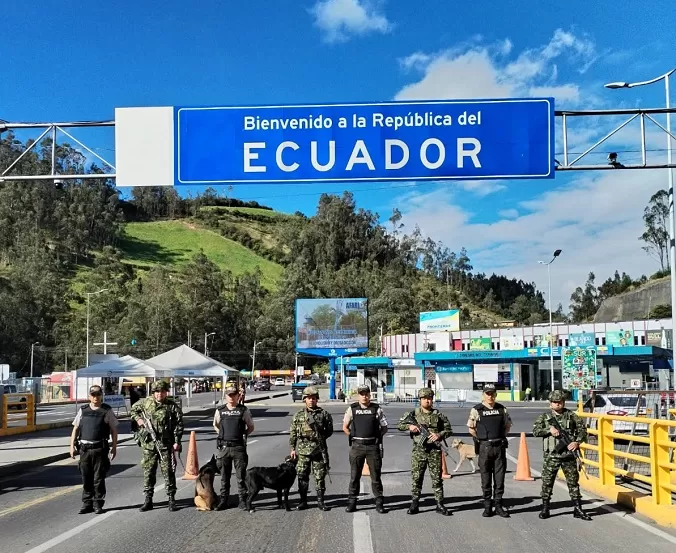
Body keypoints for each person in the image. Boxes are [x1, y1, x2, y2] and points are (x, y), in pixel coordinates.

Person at [532, 389, 592, 521]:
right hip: (552, 456)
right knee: (547, 482)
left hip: (568, 456)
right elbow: (535, 431)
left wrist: (576, 442)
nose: (557, 404)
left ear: (564, 402)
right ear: (550, 403)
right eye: (554, 402)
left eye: (560, 402)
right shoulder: (545, 417)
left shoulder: (572, 416)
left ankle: (578, 508)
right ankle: (545, 507)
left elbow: (582, 431)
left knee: (573, 483)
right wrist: (549, 430)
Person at [397, 387, 453, 516]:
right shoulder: (413, 414)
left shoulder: (438, 415)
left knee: (437, 479)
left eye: (429, 398)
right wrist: (409, 427)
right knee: (417, 478)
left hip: (434, 451)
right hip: (419, 451)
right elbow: (400, 425)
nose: (427, 401)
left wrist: (439, 435)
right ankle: (415, 503)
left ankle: (439, 503)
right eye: (424, 398)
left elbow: (449, 430)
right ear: (420, 400)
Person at [130, 380, 184, 512]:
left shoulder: (171, 406)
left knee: (169, 472)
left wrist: (177, 441)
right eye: (157, 391)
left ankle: (171, 499)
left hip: (165, 445)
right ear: (153, 392)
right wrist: (139, 420)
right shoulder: (145, 403)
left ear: (167, 392)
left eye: (163, 391)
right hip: (149, 445)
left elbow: (179, 424)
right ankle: (148, 500)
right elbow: (133, 411)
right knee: (149, 472)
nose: (160, 394)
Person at [70, 385, 119, 514]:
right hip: (85, 450)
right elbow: (75, 428)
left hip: (100, 449)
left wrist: (114, 447)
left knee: (98, 479)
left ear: (101, 395)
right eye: (93, 395)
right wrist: (71, 447)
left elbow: (114, 430)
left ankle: (98, 503)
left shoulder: (106, 410)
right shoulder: (83, 410)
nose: (96, 397)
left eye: (98, 394)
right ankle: (87, 503)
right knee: (86, 477)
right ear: (89, 396)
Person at [467, 383, 512, 518]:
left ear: (496, 394)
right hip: (485, 447)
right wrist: (482, 439)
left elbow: (507, 426)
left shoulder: (502, 409)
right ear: (483, 395)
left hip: (499, 447)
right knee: (485, 478)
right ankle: (487, 506)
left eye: (492, 393)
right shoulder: (476, 410)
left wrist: (499, 436)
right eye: (487, 393)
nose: (490, 396)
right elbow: (471, 429)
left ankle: (498, 505)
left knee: (499, 478)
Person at [343, 385, 388, 514]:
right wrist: (354, 437)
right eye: (362, 394)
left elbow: (384, 427)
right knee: (354, 476)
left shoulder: (376, 409)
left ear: (370, 395)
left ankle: (379, 502)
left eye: (366, 394)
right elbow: (345, 427)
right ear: (358, 395)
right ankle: (352, 501)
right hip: (357, 447)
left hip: (373, 447)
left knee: (376, 476)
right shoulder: (352, 409)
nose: (364, 396)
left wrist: (377, 438)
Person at [289, 386, 334, 511]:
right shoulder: (298, 415)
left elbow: (330, 431)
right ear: (304, 400)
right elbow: (293, 432)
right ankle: (303, 501)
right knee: (302, 476)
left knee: (320, 476)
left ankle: (321, 501)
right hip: (303, 451)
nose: (311, 401)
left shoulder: (324, 414)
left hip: (319, 450)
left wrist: (320, 436)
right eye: (309, 398)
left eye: (313, 398)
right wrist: (292, 448)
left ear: (317, 399)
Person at [212, 384, 254, 510]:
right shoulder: (220, 410)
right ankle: (224, 500)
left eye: (234, 395)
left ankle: (242, 500)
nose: (231, 397)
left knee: (241, 476)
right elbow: (215, 425)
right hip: (224, 448)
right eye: (229, 395)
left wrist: (243, 435)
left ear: (238, 396)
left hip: (238, 448)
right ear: (226, 396)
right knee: (224, 477)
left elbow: (251, 426)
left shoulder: (243, 410)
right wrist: (222, 434)